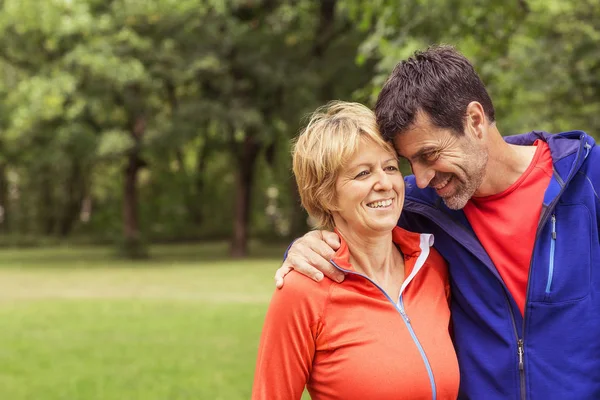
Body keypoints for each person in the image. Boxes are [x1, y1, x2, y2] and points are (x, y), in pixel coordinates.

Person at [275, 45, 600, 400]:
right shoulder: (419, 207)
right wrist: (305, 246)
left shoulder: (589, 180)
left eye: (429, 155)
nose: (423, 177)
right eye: (409, 162)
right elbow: (353, 220)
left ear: (475, 121)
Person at [252, 102, 459, 399]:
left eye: (389, 167)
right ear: (327, 196)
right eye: (362, 174)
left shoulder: (432, 266)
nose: (384, 183)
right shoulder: (302, 291)